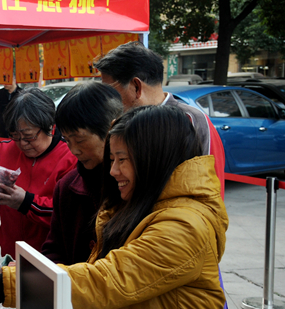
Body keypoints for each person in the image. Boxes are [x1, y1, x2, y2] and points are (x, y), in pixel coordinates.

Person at [0, 106, 227, 309]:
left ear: (154, 158)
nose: (113, 171)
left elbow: (109, 278)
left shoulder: (185, 224)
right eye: (112, 159)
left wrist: (6, 285)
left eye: (122, 159)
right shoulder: (139, 204)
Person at [0, 89, 77, 256]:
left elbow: (67, 215)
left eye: (29, 136)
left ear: (50, 127)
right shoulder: (7, 150)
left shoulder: (69, 158)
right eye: (15, 136)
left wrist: (25, 202)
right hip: (10, 252)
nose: (22, 144)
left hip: (50, 257)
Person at [96, 41, 226, 197]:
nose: (108, 101)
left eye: (112, 93)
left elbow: (212, 190)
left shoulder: (191, 121)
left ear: (136, 86)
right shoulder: (121, 124)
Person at [39, 82, 124, 266]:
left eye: (79, 139)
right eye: (67, 140)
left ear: (111, 129)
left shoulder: (132, 185)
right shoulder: (67, 187)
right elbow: (54, 249)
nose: (74, 150)